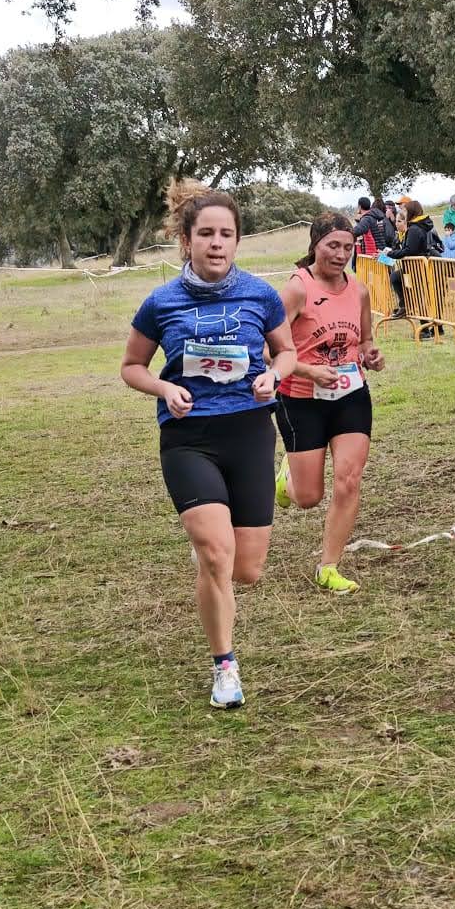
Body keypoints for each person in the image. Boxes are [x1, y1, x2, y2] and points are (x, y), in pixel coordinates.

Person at [120, 187, 297, 709]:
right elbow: (131, 367)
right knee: (217, 554)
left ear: (237, 241)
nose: (217, 244)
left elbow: (286, 352)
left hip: (249, 434)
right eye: (206, 234)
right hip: (188, 437)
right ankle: (225, 667)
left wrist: (272, 375)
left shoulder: (259, 295)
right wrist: (164, 388)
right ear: (186, 240)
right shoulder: (161, 302)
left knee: (246, 570)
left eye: (226, 235)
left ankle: (212, 564)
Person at [273, 212, 385, 594]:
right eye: (332, 246)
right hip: (300, 398)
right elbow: (268, 347)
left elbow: (365, 340)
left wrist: (371, 354)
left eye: (348, 247)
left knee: (349, 480)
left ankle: (329, 566)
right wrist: (307, 371)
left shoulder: (360, 289)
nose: (340, 254)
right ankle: (287, 477)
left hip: (351, 394)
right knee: (308, 498)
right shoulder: (297, 289)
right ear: (315, 245)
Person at [397, 196, 443, 339]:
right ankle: (436, 327)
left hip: (421, 266)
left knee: (424, 297)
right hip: (427, 264)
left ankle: (427, 329)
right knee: (430, 297)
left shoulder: (415, 229)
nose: (401, 211)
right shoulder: (423, 225)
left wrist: (391, 254)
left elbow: (409, 250)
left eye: (404, 208)